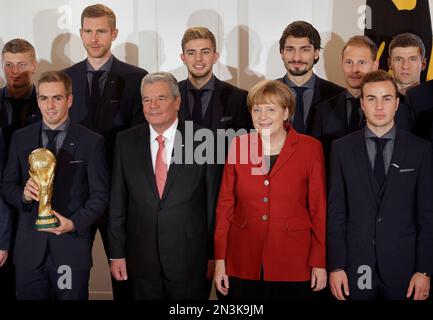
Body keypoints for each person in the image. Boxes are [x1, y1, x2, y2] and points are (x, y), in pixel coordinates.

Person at [107, 72, 219, 300]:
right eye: (147, 100)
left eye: (161, 98)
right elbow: (117, 203)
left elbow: (212, 205)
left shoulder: (203, 139)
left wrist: (213, 255)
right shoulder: (125, 141)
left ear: (177, 101)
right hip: (141, 261)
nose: (152, 106)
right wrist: (116, 254)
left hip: (190, 261)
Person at [64, 3, 148, 300]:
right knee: (73, 279)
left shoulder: (138, 78)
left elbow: (140, 142)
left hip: (120, 196)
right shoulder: (65, 78)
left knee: (125, 278)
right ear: (81, 33)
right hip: (76, 197)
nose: (94, 38)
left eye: (101, 31)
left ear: (114, 33)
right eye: (88, 31)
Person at [214, 80, 327, 300]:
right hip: (243, 259)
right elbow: (225, 207)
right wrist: (220, 261)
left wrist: (319, 262)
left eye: (270, 109)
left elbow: (318, 209)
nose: (262, 116)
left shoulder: (310, 148)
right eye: (257, 109)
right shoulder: (239, 146)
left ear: (286, 113)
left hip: (294, 260)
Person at [1, 71, 109, 300]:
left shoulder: (92, 141)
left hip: (70, 250)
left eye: (57, 98)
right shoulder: (21, 138)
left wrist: (73, 223)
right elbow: (7, 186)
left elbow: (100, 196)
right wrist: (24, 195)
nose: (50, 105)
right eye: (43, 98)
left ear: (69, 100)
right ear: (37, 99)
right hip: (29, 252)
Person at [327, 70, 433, 300]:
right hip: (356, 267)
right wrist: (336, 267)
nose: (379, 106)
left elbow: (428, 215)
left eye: (386, 98)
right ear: (362, 103)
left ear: (396, 103)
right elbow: (336, 213)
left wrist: (424, 269)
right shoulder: (341, 149)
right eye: (372, 99)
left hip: (404, 268)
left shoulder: (420, 150)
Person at [0, 38, 42, 300]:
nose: (15, 71)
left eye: (22, 64)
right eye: (9, 65)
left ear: (34, 66)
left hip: (35, 205)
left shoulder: (49, 103)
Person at [178, 26, 252, 132]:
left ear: (215, 57)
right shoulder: (170, 95)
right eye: (191, 53)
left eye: (205, 52)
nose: (198, 58)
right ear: (183, 58)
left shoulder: (239, 98)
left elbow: (246, 143)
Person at [278, 21, 344, 135]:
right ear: (282, 52)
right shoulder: (265, 95)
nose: (297, 57)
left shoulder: (338, 96)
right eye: (290, 49)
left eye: (305, 50)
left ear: (316, 53)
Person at [388, 32, 426, 103]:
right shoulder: (377, 104)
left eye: (412, 59)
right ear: (390, 64)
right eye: (399, 59)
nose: (405, 66)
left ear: (423, 64)